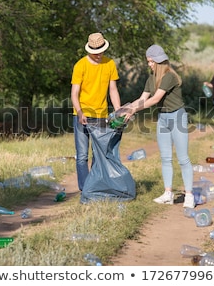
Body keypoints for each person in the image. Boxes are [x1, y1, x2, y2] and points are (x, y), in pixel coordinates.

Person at [122, 45, 194, 208]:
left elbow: (155, 99)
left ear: (159, 61)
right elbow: (142, 98)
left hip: (177, 117)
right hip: (163, 118)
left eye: (151, 61)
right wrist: (126, 109)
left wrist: (134, 109)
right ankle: (168, 193)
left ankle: (189, 195)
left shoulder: (169, 76)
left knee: (183, 158)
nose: (149, 64)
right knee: (165, 158)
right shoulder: (151, 78)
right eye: (148, 61)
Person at [71, 32, 121, 191]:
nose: (98, 54)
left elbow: (113, 90)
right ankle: (85, 189)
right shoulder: (80, 65)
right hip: (82, 115)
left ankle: (95, 187)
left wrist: (118, 111)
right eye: (95, 51)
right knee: (82, 156)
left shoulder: (109, 64)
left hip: (101, 116)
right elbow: (74, 93)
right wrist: (79, 112)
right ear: (89, 50)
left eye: (100, 50)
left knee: (98, 154)